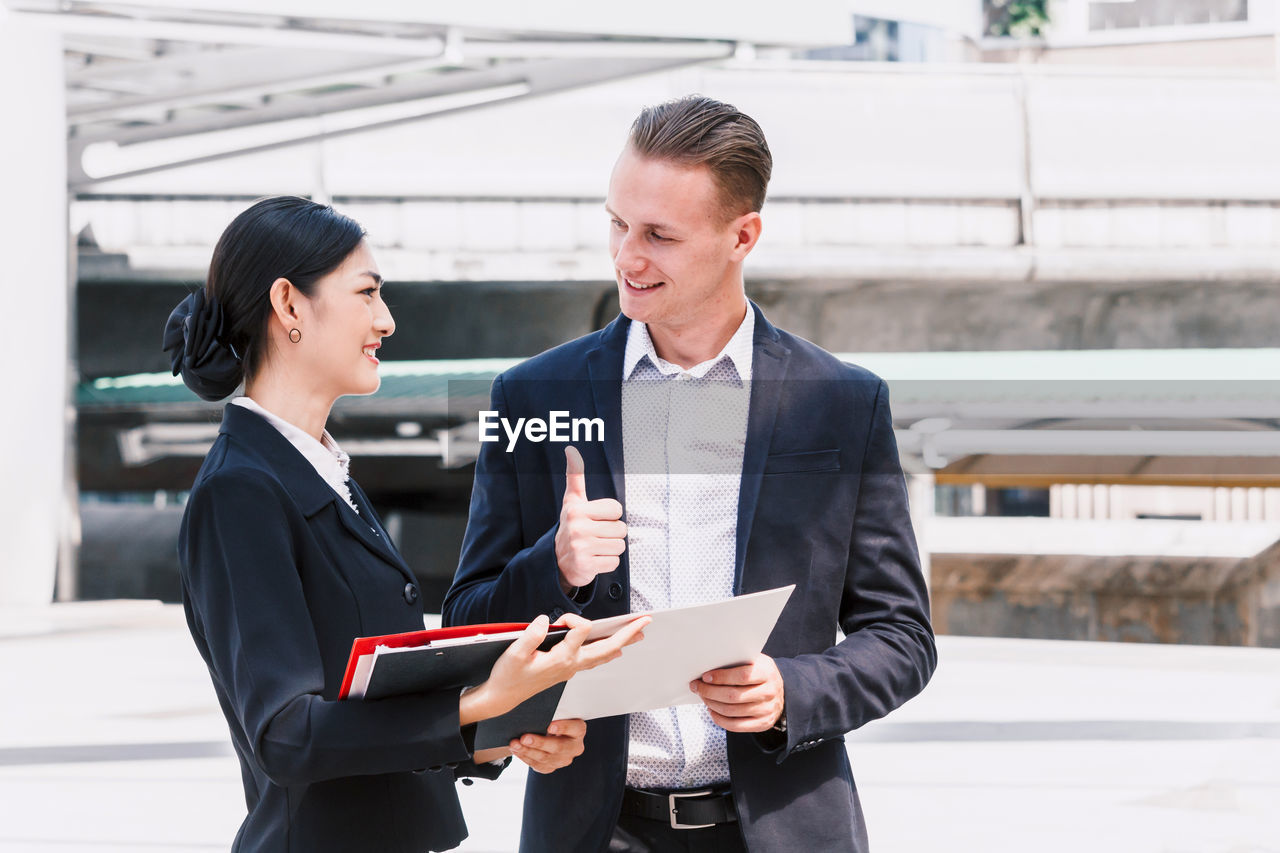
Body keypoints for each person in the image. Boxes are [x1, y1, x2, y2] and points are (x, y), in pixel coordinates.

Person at [443, 96, 937, 852]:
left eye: (659, 236)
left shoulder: (841, 403)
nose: (626, 258)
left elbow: (901, 634)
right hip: (594, 829)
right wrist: (555, 567)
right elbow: (470, 622)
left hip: (782, 829)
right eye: (617, 223)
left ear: (743, 235)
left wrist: (791, 691)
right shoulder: (533, 396)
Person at [165, 196, 647, 853]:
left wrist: (498, 728)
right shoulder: (240, 491)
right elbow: (284, 732)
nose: (386, 320)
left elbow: (367, 704)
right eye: (366, 293)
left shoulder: (317, 473)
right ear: (289, 305)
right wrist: (476, 702)